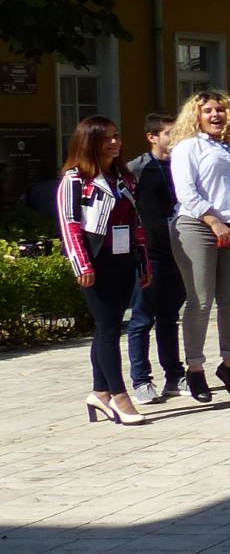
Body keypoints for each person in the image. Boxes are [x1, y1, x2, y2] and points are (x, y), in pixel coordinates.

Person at [165, 91, 230, 402]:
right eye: (209, 111)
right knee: (201, 301)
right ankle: (194, 369)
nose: (217, 116)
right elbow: (185, 191)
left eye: (221, 110)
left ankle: (229, 363)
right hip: (197, 225)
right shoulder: (187, 148)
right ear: (197, 116)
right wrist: (213, 221)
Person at [59, 116, 149, 424]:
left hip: (123, 260)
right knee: (110, 329)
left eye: (116, 136)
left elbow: (136, 224)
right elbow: (69, 226)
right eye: (106, 138)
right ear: (90, 142)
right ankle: (118, 395)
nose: (114, 142)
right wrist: (81, 264)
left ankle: (99, 393)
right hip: (95, 261)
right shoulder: (75, 180)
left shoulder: (123, 176)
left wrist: (143, 261)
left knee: (106, 327)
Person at [127, 111, 184, 406]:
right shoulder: (136, 169)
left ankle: (174, 374)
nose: (175, 139)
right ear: (152, 137)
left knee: (170, 316)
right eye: (169, 134)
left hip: (179, 251)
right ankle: (141, 380)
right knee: (141, 318)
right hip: (149, 254)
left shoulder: (182, 166)